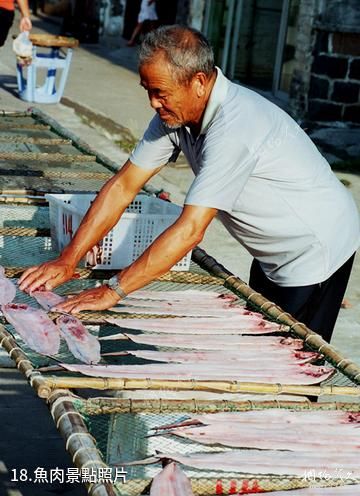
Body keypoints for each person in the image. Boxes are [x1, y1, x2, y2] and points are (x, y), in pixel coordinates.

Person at [19, 25, 360, 343]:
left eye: (160, 93)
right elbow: (124, 184)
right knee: (264, 340)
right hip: (271, 250)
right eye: (148, 91)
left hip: (314, 249)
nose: (153, 103)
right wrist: (69, 258)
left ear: (198, 82)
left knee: (292, 362)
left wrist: (113, 291)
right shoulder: (175, 115)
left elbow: (191, 230)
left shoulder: (235, 128)